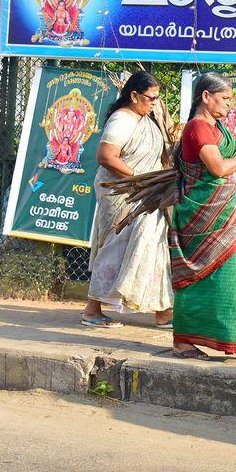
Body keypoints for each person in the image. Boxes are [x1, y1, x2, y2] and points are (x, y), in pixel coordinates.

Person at [168, 73, 236, 359]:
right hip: (205, 214)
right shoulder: (198, 128)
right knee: (203, 278)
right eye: (224, 98)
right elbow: (219, 169)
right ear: (205, 96)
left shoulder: (217, 127)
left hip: (230, 215)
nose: (229, 105)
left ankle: (231, 338)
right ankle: (184, 341)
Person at [82, 71, 173, 329]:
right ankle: (92, 310)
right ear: (134, 96)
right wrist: (139, 179)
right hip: (122, 193)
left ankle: (163, 312)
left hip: (145, 194)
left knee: (153, 244)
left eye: (157, 98)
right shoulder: (121, 120)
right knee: (115, 247)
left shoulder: (147, 120)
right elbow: (106, 157)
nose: (155, 103)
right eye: (151, 98)